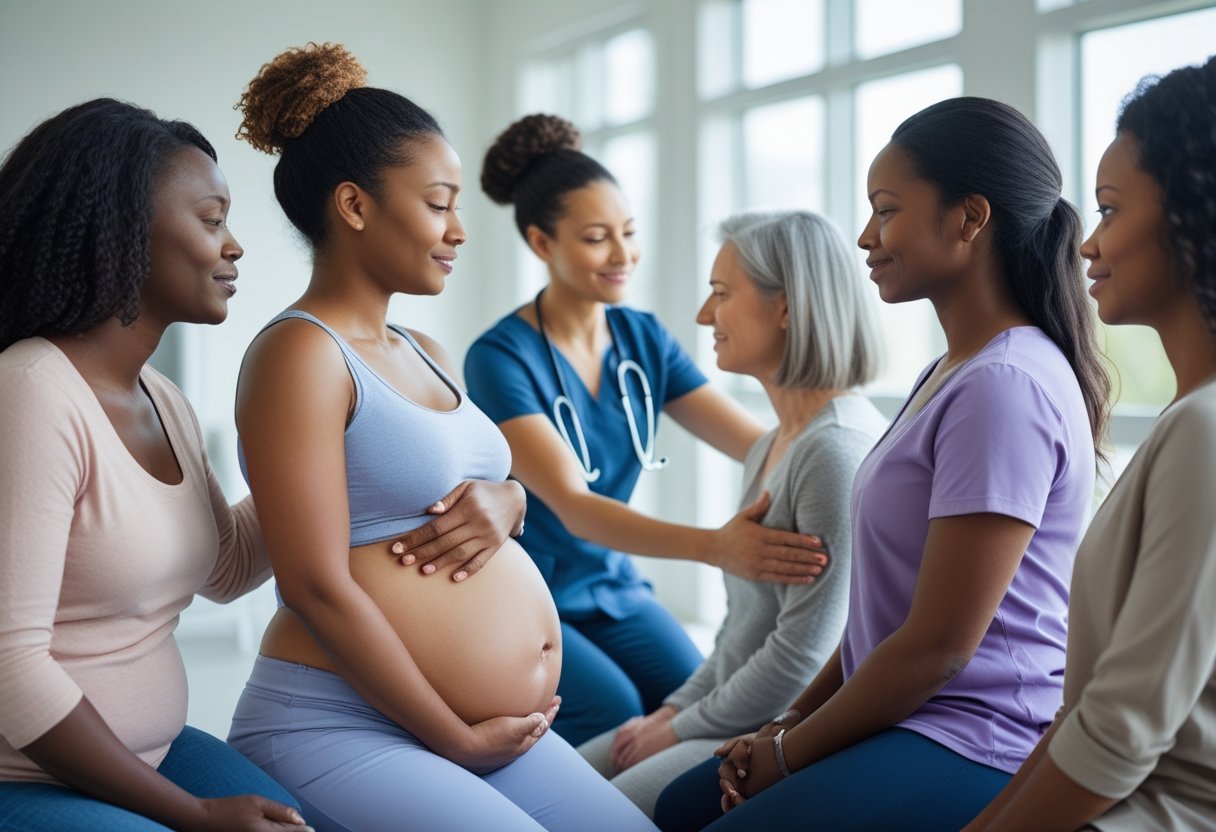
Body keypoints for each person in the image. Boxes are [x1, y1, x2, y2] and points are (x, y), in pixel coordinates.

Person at [224, 43, 658, 832]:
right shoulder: (300, 353)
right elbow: (314, 584)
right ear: (354, 206)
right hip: (339, 722)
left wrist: (513, 498)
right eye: (438, 202)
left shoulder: (427, 348)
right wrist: (452, 737)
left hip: (476, 729)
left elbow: (471, 484)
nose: (459, 230)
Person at [655, 96, 1111, 832]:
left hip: (975, 736)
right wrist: (787, 723)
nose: (866, 236)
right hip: (915, 712)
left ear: (969, 218)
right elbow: (882, 621)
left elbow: (936, 648)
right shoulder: (952, 371)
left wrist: (792, 753)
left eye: (887, 210)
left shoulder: (1004, 385)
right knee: (682, 803)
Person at [464, 114, 828, 746]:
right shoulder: (500, 356)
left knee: (707, 699)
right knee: (612, 710)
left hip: (612, 583)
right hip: (529, 590)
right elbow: (575, 507)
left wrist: (837, 457)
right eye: (597, 238)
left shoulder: (644, 339)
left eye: (630, 233)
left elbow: (759, 442)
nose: (624, 255)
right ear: (542, 243)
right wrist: (718, 545)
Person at [0, 100, 308, 831]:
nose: (234, 247)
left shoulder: (162, 398)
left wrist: (323, 452)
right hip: (24, 776)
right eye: (211, 219)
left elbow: (227, 569)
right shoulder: (30, 393)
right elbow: (9, 667)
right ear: (121, 232)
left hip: (153, 751)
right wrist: (195, 815)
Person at [964, 55, 1216, 832]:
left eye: (1110, 209)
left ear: (1192, 215)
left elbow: (1120, 730)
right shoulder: (1189, 419)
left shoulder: (1206, 430)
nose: (1086, 243)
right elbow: (1088, 712)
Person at [576, 210, 886, 818]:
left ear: (788, 307)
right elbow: (740, 633)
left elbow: (801, 659)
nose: (702, 316)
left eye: (721, 294)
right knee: (546, 782)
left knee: (587, 814)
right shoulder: (776, 443)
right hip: (721, 715)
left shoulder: (834, 451)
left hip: (770, 732)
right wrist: (670, 712)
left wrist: (677, 728)